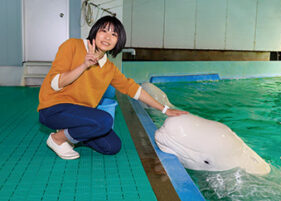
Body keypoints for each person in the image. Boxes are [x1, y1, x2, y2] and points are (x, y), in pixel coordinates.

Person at [38, 15, 187, 160]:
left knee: (112, 146)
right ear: (95, 32)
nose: (108, 37)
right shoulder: (72, 45)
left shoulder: (109, 68)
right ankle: (57, 138)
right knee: (105, 120)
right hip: (53, 108)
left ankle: (71, 134)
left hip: (80, 115)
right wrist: (84, 65)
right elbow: (56, 83)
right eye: (104, 31)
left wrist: (165, 109)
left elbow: (133, 89)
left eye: (114, 34)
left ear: (118, 41)